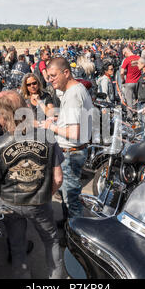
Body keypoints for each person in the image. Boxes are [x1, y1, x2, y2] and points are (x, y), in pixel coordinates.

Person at [0, 90, 65, 279]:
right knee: (51, 241)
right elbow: (57, 179)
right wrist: (45, 195)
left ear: (0, 117)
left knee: (17, 247)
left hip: (10, 205)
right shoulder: (47, 137)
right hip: (39, 202)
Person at [40, 57, 93, 221]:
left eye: (53, 75)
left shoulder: (72, 95)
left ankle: (74, 237)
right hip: (72, 151)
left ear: (66, 73)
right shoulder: (75, 90)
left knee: (72, 199)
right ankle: (67, 224)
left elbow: (74, 132)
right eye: (48, 76)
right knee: (66, 194)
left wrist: (51, 127)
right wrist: (59, 120)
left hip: (71, 152)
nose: (50, 80)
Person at [120, 47, 141, 118]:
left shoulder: (127, 60)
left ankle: (130, 116)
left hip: (129, 82)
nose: (124, 56)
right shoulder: (139, 58)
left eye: (124, 54)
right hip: (138, 81)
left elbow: (122, 72)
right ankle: (139, 115)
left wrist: (122, 80)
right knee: (138, 99)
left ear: (126, 52)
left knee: (129, 100)